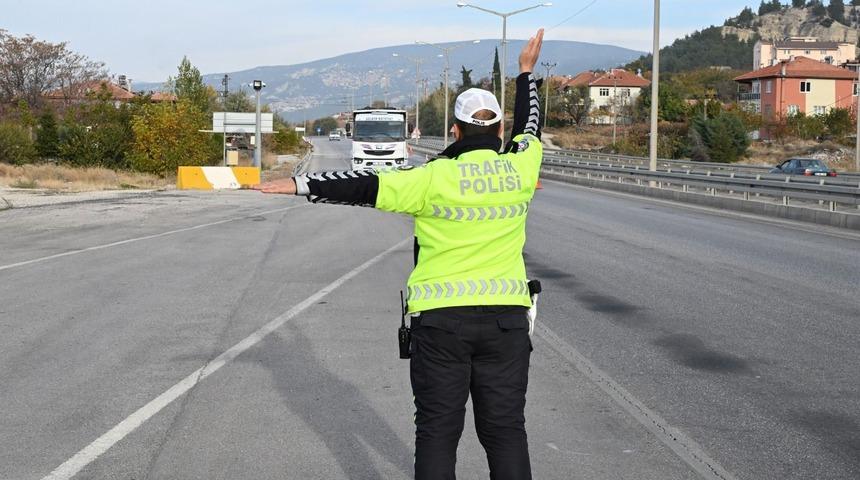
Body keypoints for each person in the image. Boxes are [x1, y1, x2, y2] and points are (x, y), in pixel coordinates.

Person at [254, 29, 545, 480]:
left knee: (437, 433)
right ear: (499, 131)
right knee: (506, 430)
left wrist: (299, 183)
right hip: (506, 323)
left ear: (455, 130)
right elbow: (531, 128)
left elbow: (364, 185)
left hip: (442, 324)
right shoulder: (522, 169)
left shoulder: (430, 179)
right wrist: (526, 74)